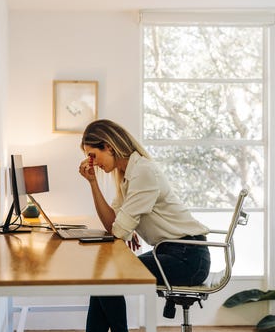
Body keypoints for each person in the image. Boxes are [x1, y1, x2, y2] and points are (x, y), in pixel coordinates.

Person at [78, 119, 211, 332]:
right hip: (170, 251)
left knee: (107, 276)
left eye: (92, 155)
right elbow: (113, 223)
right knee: (103, 276)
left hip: (189, 257)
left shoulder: (142, 172)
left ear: (109, 146)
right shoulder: (126, 175)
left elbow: (119, 231)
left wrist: (126, 227)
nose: (92, 162)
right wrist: (93, 183)